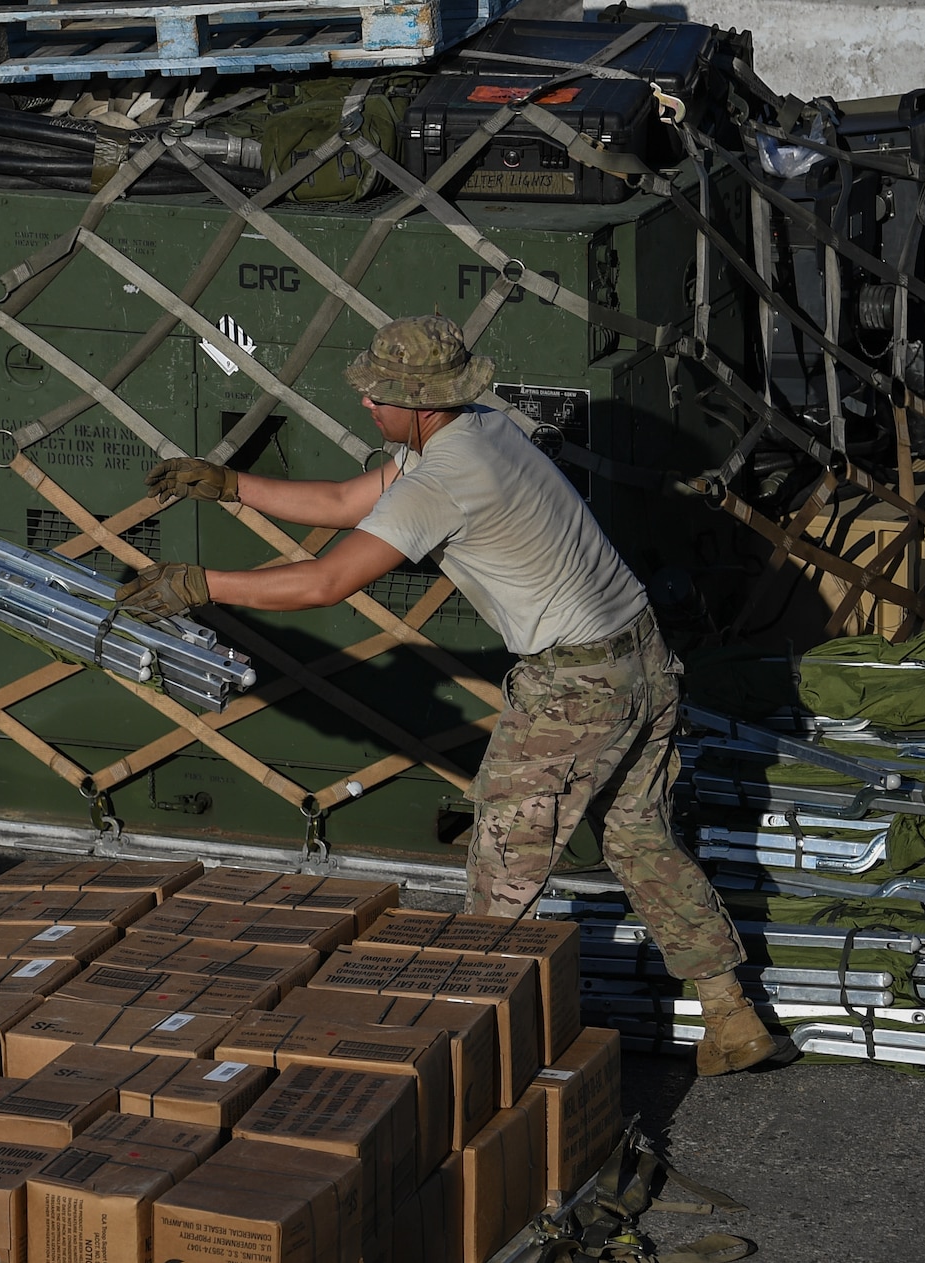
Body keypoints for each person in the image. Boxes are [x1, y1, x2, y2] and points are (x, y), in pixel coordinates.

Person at [118, 314, 790, 1076]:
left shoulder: (441, 483)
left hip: (573, 688)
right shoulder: (482, 429)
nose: (366, 406)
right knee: (639, 839)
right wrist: (234, 487)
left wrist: (198, 584)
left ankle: (477, 1055)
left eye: (378, 396)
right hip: (642, 656)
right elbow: (347, 498)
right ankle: (731, 1016)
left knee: (501, 874)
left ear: (419, 401)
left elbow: (325, 582)